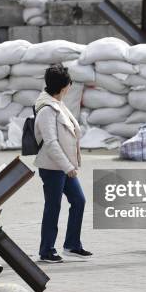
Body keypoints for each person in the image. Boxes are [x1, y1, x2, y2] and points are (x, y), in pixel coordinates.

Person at [34, 64, 92, 263]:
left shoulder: (58, 103)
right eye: (69, 84)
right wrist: (68, 167)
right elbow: (50, 143)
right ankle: (46, 250)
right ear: (64, 86)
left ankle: (72, 245)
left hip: (65, 167)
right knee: (53, 206)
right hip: (53, 167)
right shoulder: (47, 110)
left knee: (79, 201)